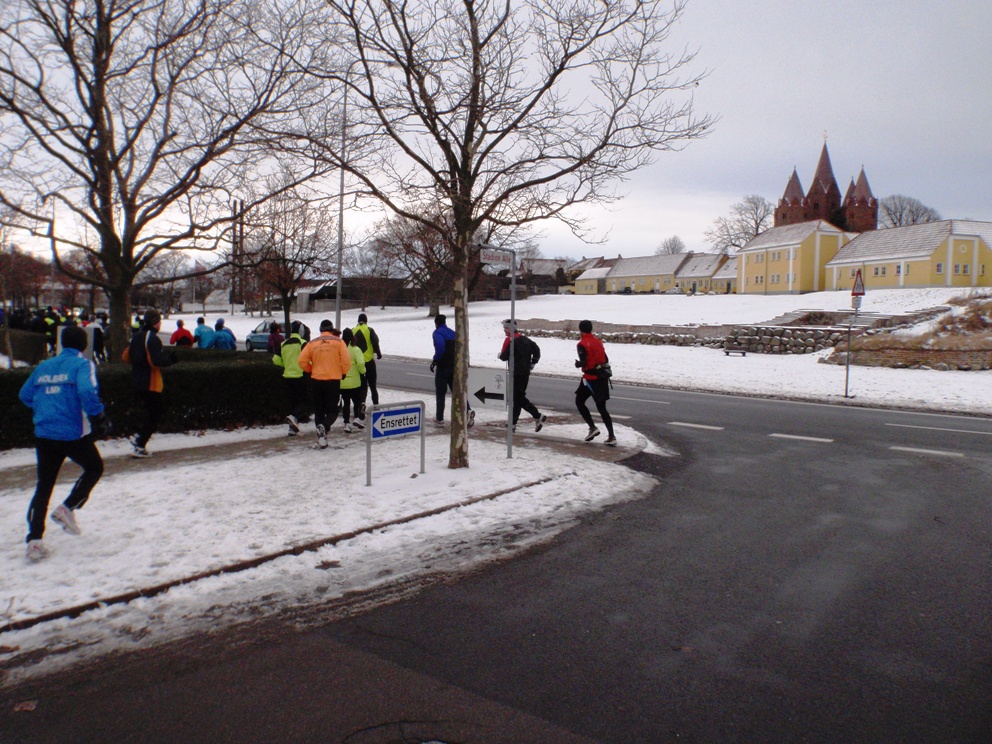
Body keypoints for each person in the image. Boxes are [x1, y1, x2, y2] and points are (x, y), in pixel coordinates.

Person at [19, 325, 112, 561]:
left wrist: (47, 407)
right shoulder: (83, 365)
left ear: (61, 343)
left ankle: (34, 541)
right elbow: (87, 391)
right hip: (72, 433)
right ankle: (67, 507)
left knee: (44, 485)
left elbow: (25, 395)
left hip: (44, 432)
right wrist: (99, 417)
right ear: (83, 346)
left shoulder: (43, 366)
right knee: (94, 467)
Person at [126, 308, 178, 458]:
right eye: (159, 321)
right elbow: (155, 361)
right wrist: (170, 360)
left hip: (137, 379)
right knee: (155, 413)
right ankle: (140, 443)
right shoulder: (152, 338)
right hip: (150, 381)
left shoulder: (136, 336)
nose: (160, 324)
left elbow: (126, 356)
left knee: (148, 411)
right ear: (155, 323)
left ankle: (138, 435)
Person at [296, 320, 351, 449]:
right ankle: (325, 427)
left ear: (320, 330)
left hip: (316, 380)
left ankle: (321, 438)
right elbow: (347, 361)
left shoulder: (312, 343)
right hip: (333, 380)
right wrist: (342, 372)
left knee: (319, 410)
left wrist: (310, 370)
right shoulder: (339, 342)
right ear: (332, 330)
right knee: (333, 410)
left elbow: (301, 361)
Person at [498, 319, 547, 433]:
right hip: (525, 373)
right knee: (517, 398)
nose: (504, 330)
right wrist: (533, 362)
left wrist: (500, 355)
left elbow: (504, 356)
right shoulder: (526, 340)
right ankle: (513, 423)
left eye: (506, 328)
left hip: (515, 372)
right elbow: (537, 350)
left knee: (518, 398)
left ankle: (537, 415)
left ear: (511, 329)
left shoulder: (509, 340)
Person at [574, 319, 616, 446]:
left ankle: (592, 428)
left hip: (590, 378)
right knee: (602, 408)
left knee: (579, 402)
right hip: (602, 377)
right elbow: (605, 358)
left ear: (580, 330)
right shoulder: (598, 341)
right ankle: (611, 436)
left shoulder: (582, 344)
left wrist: (578, 364)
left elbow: (584, 361)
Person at [431, 314, 473, 428]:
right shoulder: (453, 332)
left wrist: (435, 360)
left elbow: (440, 348)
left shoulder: (437, 333)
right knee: (457, 391)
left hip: (443, 367)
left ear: (436, 323)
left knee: (440, 392)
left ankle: (439, 419)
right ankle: (468, 410)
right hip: (454, 366)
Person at [273, 320, 308, 436]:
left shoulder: (284, 344)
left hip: (287, 377)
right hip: (301, 376)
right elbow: (310, 360)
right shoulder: (303, 343)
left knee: (293, 402)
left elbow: (275, 360)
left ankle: (292, 428)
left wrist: (286, 365)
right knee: (305, 402)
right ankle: (294, 417)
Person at [352, 313, 382, 410]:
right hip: (369, 362)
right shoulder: (369, 330)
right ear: (366, 321)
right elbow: (375, 343)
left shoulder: (353, 330)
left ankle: (362, 403)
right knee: (373, 386)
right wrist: (378, 353)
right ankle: (376, 405)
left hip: (358, 364)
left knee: (362, 386)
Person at [339, 328, 367, 433]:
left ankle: (346, 423)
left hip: (343, 381)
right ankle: (356, 418)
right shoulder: (356, 350)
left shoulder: (340, 349)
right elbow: (360, 364)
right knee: (356, 401)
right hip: (355, 382)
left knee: (346, 403)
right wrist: (363, 371)